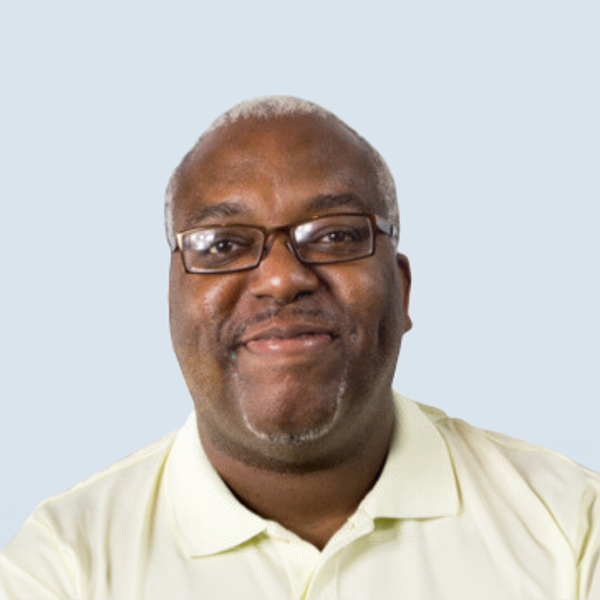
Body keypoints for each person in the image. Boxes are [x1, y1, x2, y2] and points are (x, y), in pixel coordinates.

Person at [1, 96, 599, 599]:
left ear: (404, 289)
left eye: (336, 235)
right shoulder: (64, 566)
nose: (282, 278)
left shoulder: (570, 531)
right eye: (222, 245)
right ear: (172, 302)